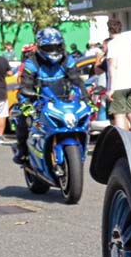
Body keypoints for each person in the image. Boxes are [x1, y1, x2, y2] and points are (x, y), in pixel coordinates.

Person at [12, 28, 86, 164]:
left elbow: (77, 80)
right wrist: (26, 103)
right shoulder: (32, 63)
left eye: (57, 46)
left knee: (83, 121)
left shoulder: (67, 60)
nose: (54, 51)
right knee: (23, 119)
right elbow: (25, 86)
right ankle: (22, 150)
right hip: (38, 100)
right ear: (40, 47)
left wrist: (86, 98)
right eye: (49, 47)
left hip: (63, 102)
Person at [98, 18, 131, 133]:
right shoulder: (130, 43)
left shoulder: (113, 44)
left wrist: (111, 88)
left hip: (119, 84)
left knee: (120, 116)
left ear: (109, 30)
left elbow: (113, 66)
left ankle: (125, 143)